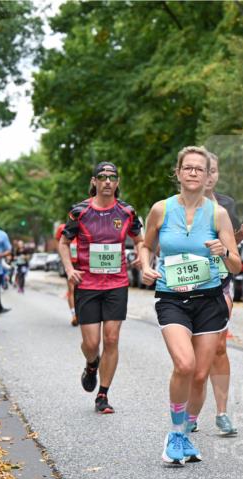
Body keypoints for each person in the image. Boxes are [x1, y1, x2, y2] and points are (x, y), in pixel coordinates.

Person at [138, 146, 242, 465]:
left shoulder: (218, 214)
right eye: (188, 168)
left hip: (209, 300)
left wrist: (223, 251)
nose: (194, 172)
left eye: (200, 168)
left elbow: (236, 265)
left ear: (207, 174)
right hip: (172, 299)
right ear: (178, 172)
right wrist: (144, 265)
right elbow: (145, 245)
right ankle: (175, 433)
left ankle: (185, 429)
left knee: (199, 375)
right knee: (184, 364)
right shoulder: (160, 209)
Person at [59, 161, 145, 414]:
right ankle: (91, 364)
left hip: (117, 283)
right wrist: (69, 269)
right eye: (102, 177)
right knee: (91, 343)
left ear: (117, 183)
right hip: (87, 284)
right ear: (94, 181)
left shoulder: (127, 212)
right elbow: (64, 243)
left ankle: (103, 395)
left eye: (112, 177)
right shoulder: (79, 212)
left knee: (112, 338)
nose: (107, 181)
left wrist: (141, 255)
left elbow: (140, 240)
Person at [191, 152, 243, 437]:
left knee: (219, 344)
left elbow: (231, 244)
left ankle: (221, 412)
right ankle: (190, 411)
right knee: (194, 355)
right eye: (205, 170)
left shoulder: (227, 204)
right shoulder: (180, 206)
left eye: (214, 171)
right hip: (190, 283)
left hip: (221, 281)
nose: (210, 176)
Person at [55, 224, 79, 326]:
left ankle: (81, 313)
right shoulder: (63, 227)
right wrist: (64, 259)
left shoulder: (88, 224)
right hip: (70, 264)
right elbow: (59, 242)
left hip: (83, 262)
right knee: (72, 289)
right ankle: (74, 315)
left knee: (82, 290)